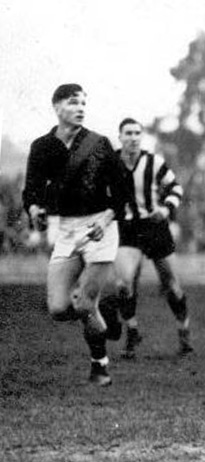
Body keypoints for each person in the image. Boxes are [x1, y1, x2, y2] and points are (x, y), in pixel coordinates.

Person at [22, 83, 129, 386]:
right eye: (73, 102)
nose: (81, 107)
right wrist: (34, 210)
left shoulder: (99, 143)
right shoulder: (42, 147)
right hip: (66, 230)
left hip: (100, 228)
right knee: (57, 309)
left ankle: (100, 364)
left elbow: (122, 193)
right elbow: (30, 190)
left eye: (84, 102)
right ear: (57, 107)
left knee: (84, 304)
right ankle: (104, 309)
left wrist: (107, 218)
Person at [98, 118, 192, 359]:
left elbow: (176, 188)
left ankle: (184, 332)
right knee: (123, 283)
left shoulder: (154, 162)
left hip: (155, 226)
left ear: (142, 137)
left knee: (171, 285)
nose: (133, 137)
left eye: (137, 133)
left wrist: (166, 208)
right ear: (120, 137)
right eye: (128, 133)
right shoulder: (110, 164)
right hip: (128, 228)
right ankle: (132, 331)